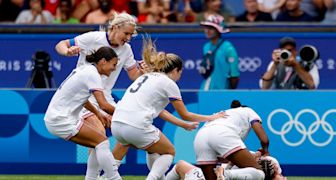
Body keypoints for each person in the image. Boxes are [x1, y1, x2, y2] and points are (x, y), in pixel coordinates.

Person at [111, 37, 226, 180]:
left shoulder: (145, 77)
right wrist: (211, 117)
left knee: (152, 150)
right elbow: (185, 114)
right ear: (176, 70)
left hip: (116, 123)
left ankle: (106, 177)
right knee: (169, 151)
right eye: (180, 72)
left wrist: (182, 125)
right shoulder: (169, 83)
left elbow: (160, 111)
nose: (180, 76)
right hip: (136, 124)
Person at [54, 12, 142, 179]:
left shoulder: (127, 49)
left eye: (131, 34)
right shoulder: (93, 38)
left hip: (105, 97)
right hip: (86, 97)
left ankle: (103, 175)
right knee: (99, 135)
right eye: (127, 33)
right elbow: (61, 44)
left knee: (128, 132)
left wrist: (143, 72)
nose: (129, 38)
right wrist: (67, 51)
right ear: (115, 27)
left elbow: (133, 75)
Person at [44, 46, 121, 180]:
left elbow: (83, 99)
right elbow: (104, 104)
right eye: (113, 64)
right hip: (60, 120)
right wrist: (126, 115)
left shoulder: (86, 70)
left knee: (98, 143)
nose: (114, 68)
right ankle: (114, 178)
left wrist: (98, 114)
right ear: (103, 61)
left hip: (57, 118)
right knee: (102, 142)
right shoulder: (93, 75)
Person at [194, 100, 270, 180]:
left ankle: (224, 174)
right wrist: (265, 150)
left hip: (200, 136)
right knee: (259, 173)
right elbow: (264, 140)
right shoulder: (248, 110)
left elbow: (224, 157)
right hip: (222, 132)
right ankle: (226, 174)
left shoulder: (224, 114)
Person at [200, 15, 240, 90]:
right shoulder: (206, 47)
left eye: (211, 28)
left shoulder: (228, 48)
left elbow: (234, 75)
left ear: (219, 30)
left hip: (222, 91)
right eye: (206, 28)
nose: (207, 31)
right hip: (205, 90)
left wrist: (229, 92)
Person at [214, 154, 287, 180]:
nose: (285, 178)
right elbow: (232, 158)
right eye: (282, 176)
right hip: (220, 170)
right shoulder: (273, 163)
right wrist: (227, 167)